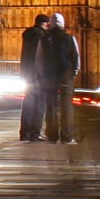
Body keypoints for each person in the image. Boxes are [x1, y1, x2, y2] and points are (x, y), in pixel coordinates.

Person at [38, 12, 81, 144]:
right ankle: (66, 136)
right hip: (65, 77)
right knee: (66, 106)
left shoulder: (44, 39)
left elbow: (39, 59)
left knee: (51, 106)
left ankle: (52, 136)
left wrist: (42, 74)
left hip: (49, 77)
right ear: (62, 24)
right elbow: (76, 58)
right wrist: (73, 73)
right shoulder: (69, 38)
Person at [18, 13, 50, 140]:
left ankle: (24, 133)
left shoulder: (28, 34)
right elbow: (41, 58)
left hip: (27, 73)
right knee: (40, 104)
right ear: (45, 24)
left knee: (28, 103)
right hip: (39, 74)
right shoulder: (42, 36)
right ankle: (34, 133)